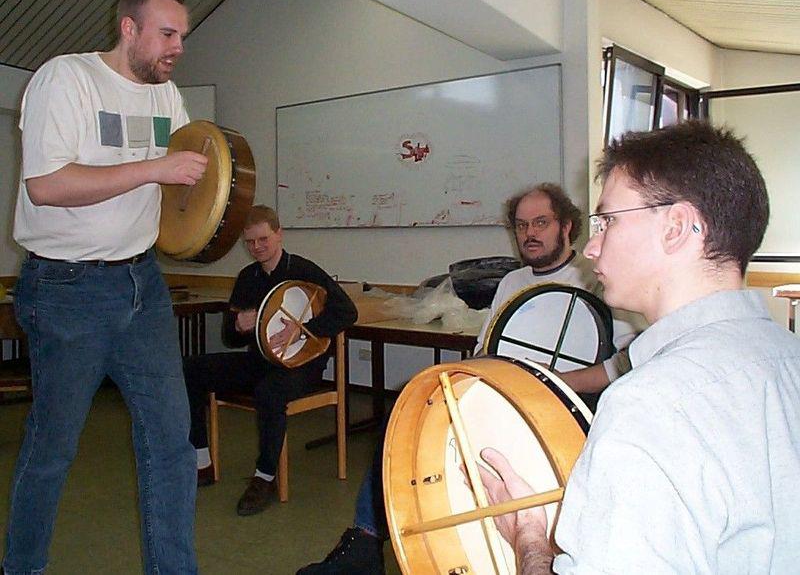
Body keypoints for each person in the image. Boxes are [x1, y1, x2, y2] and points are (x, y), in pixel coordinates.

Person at [478, 120, 800, 574]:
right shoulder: (789, 357)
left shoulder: (649, 408)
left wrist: (530, 538)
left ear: (676, 227)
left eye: (607, 221)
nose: (592, 247)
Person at [298, 183, 638, 574]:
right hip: (502, 395)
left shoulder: (595, 279)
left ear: (566, 227)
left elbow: (625, 365)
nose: (530, 233)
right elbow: (486, 348)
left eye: (541, 223)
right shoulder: (512, 282)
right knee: (405, 424)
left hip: (560, 409)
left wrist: (559, 381)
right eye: (522, 225)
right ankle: (365, 543)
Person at [3, 0, 207, 575]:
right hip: (66, 291)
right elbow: (47, 186)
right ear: (128, 28)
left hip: (143, 286)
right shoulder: (65, 79)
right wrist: (156, 167)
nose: (177, 48)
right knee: (52, 449)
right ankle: (24, 566)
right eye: (167, 34)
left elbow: (176, 197)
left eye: (183, 37)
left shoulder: (168, 97)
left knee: (172, 445)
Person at [184, 204, 357, 516]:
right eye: (249, 242)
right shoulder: (247, 277)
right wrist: (238, 325)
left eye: (263, 239)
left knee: (269, 392)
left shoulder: (304, 270)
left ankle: (264, 477)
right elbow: (231, 337)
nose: (256, 247)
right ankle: (201, 462)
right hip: (260, 360)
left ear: (279, 235)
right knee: (191, 369)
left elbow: (347, 312)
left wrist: (303, 329)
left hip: (303, 366)